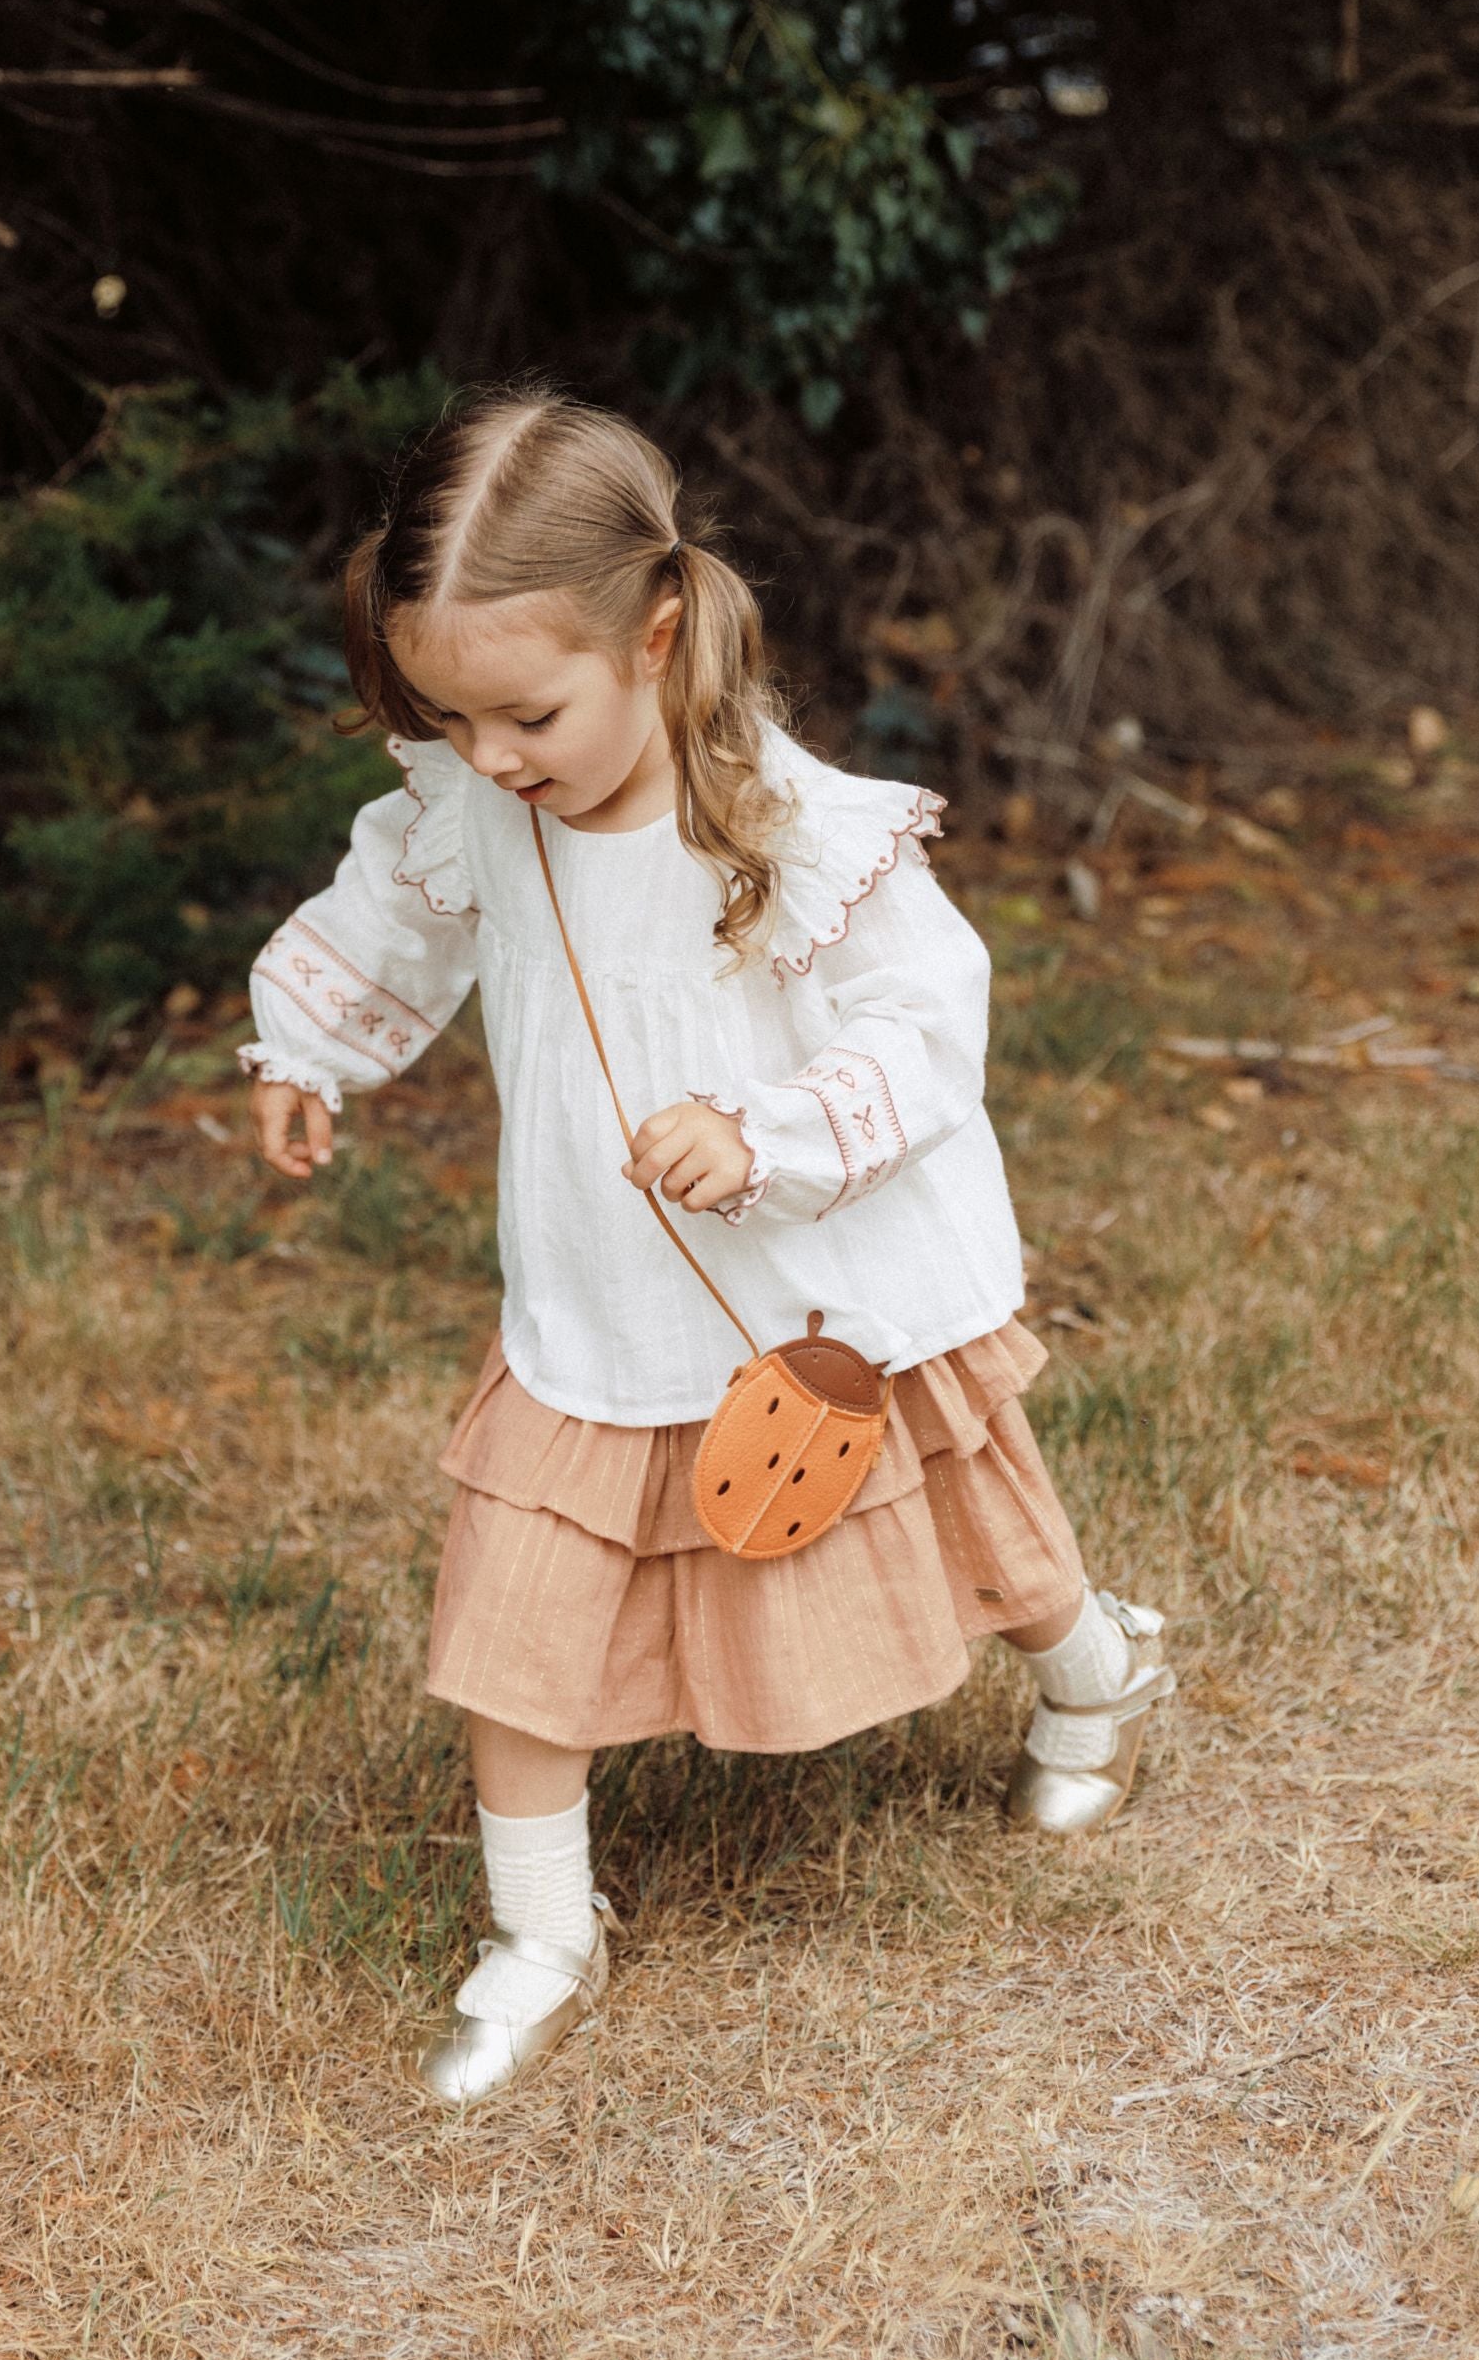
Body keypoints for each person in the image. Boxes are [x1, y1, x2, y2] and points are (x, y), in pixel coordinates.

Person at [242, 388, 1174, 2104]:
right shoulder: (478, 801)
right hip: (594, 1291)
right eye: (451, 717)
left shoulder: (791, 827)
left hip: (820, 1287)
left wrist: (771, 1135)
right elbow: (386, 914)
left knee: (982, 1529)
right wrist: (308, 1046)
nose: (490, 755)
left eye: (528, 714)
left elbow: (927, 1022)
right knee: (518, 1597)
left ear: (657, 634)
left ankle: (1098, 1673)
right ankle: (542, 1929)